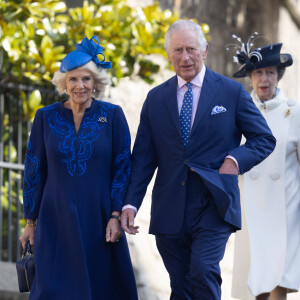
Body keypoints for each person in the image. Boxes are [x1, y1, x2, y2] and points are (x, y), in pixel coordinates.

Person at [121, 20, 276, 300]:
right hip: (170, 207)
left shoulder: (231, 92)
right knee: (180, 286)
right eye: (178, 50)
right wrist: (131, 202)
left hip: (214, 203)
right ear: (169, 54)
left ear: (204, 51)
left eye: (191, 49)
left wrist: (234, 160)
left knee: (203, 272)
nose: (185, 57)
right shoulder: (155, 99)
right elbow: (143, 157)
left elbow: (263, 138)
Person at [19, 36, 138, 300]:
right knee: (51, 289)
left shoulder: (113, 116)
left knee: (97, 288)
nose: (79, 85)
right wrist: (30, 221)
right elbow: (34, 169)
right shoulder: (45, 117)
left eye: (86, 79)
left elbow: (122, 169)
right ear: (64, 83)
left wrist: (116, 215)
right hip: (54, 219)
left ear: (95, 82)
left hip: (98, 220)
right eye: (73, 79)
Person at [229, 34, 300, 300]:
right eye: (258, 73)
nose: (264, 80)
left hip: (285, 212)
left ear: (278, 76)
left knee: (276, 285)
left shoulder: (294, 113)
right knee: (253, 285)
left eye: (270, 72)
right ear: (250, 77)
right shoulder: (238, 111)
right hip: (251, 208)